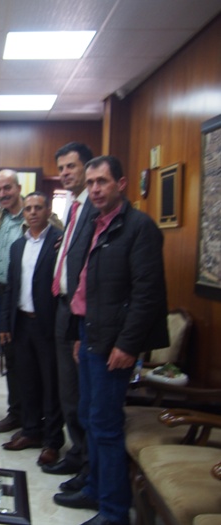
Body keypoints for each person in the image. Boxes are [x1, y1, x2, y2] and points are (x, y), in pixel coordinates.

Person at [53, 156, 169, 525]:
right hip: (90, 334)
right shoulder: (96, 224)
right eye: (90, 183)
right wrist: (78, 334)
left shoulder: (139, 227)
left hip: (115, 344)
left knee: (105, 424)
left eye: (102, 181)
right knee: (89, 415)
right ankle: (94, 489)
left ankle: (114, 512)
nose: (95, 189)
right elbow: (87, 286)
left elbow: (147, 295)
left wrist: (128, 346)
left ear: (121, 184)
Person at [44, 142, 96, 490]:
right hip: (64, 308)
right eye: (61, 167)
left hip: (84, 313)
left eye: (71, 166)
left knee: (84, 394)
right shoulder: (75, 208)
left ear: (87, 167)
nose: (64, 173)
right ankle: (77, 454)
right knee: (69, 391)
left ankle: (89, 468)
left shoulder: (95, 207)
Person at [0, 192, 64, 466]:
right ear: (23, 213)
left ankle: (52, 441)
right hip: (22, 323)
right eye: (28, 209)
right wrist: (5, 322)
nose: (33, 212)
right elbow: (10, 287)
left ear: (48, 210)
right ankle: (30, 431)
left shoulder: (59, 241)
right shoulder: (18, 245)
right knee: (26, 382)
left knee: (51, 385)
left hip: (48, 324)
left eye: (38, 208)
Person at [0, 169, 25, 434]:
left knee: (30, 360)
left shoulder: (37, 215)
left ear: (18, 188)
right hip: (2, 295)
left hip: (26, 296)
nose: (2, 194)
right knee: (11, 357)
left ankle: (35, 416)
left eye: (7, 188)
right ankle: (16, 413)